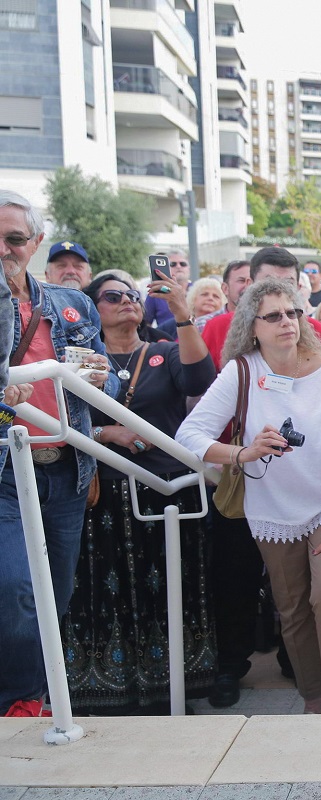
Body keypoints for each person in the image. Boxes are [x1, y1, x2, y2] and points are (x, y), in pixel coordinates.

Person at [178, 279, 321, 714]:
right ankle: (313, 700)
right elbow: (189, 435)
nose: (287, 322)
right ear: (253, 326)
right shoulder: (242, 370)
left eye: (294, 312)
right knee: (293, 609)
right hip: (272, 511)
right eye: (274, 315)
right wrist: (243, 452)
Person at [64, 269, 218, 713]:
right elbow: (55, 412)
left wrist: (182, 314)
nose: (126, 300)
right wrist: (106, 434)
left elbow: (199, 380)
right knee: (106, 593)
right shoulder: (75, 361)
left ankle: (174, 689)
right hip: (103, 495)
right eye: (112, 295)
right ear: (92, 309)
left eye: (132, 294)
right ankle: (110, 693)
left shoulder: (163, 351)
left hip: (166, 491)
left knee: (169, 589)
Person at [1, 189, 119, 718]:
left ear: (35, 243)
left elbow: (107, 385)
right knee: (18, 591)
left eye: (14, 239)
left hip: (67, 470)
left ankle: (37, 697)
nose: (3, 249)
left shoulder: (74, 303)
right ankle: (22, 701)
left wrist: (102, 380)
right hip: (7, 468)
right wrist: (6, 408)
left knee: (56, 593)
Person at [143, 250, 192, 334]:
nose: (179, 267)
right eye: (173, 264)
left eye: (183, 264)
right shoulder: (157, 293)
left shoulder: (199, 290)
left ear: (189, 268)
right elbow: (146, 323)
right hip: (167, 341)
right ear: (166, 268)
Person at [196, 260, 251, 332]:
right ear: (225, 288)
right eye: (241, 280)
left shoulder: (265, 321)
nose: (248, 286)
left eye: (251, 281)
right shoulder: (204, 324)